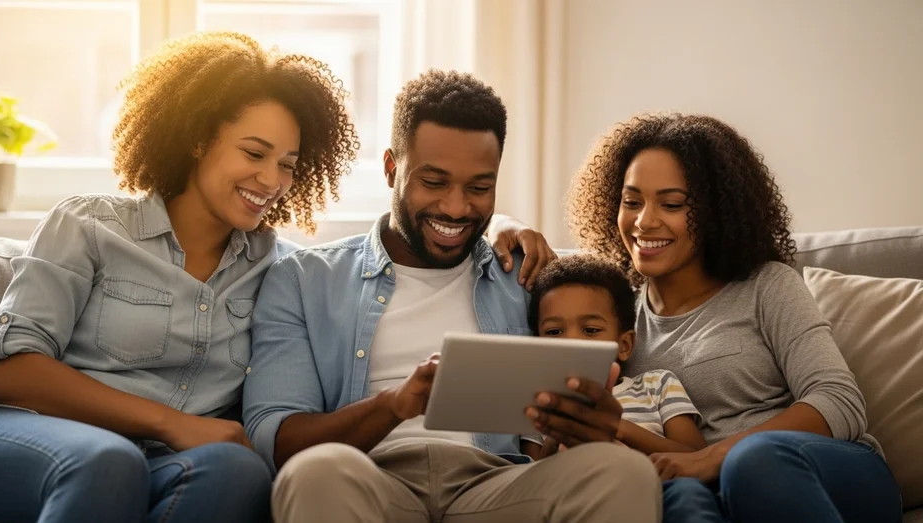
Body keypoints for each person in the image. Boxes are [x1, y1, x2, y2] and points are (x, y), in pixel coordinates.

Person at [0, 32, 544, 523]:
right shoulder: (89, 225)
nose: (270, 179)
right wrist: (174, 424)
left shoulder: (278, 267)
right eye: (254, 152)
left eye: (288, 165)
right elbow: (10, 369)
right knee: (107, 462)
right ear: (198, 136)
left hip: (163, 458)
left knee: (238, 469)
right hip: (29, 432)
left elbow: (415, 239)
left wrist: (501, 230)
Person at [243, 69, 662, 523]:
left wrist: (589, 427)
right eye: (435, 182)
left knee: (622, 470)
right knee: (316, 472)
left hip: (497, 484)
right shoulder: (305, 279)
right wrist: (393, 405)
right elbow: (276, 438)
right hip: (367, 480)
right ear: (390, 169)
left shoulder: (528, 274)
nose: (457, 208)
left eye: (479, 188)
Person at [566, 112, 903, 523]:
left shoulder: (767, 286)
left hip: (822, 473)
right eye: (631, 201)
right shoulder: (616, 319)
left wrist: (715, 457)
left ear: (716, 211)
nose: (644, 221)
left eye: (672, 204)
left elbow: (839, 400)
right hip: (706, 494)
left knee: (751, 460)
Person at [522, 253, 705, 460]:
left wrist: (617, 427)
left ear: (624, 345)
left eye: (591, 330)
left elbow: (695, 457)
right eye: (554, 332)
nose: (571, 342)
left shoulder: (657, 385)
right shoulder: (540, 404)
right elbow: (532, 475)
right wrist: (560, 433)